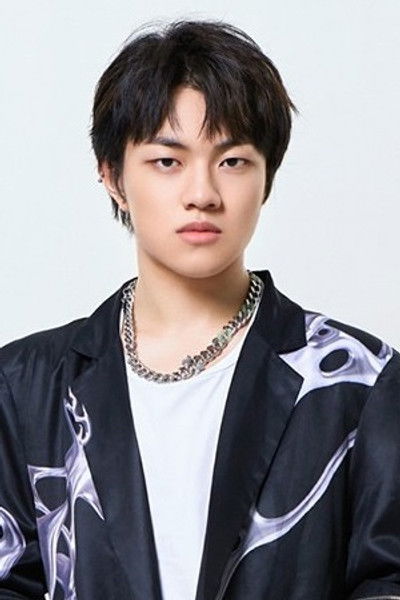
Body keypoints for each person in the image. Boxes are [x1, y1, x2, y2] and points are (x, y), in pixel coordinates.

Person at [0, 19, 399, 600]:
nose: (202, 194)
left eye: (233, 161)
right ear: (112, 177)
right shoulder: (24, 386)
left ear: (266, 178)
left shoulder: (361, 381)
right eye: (168, 161)